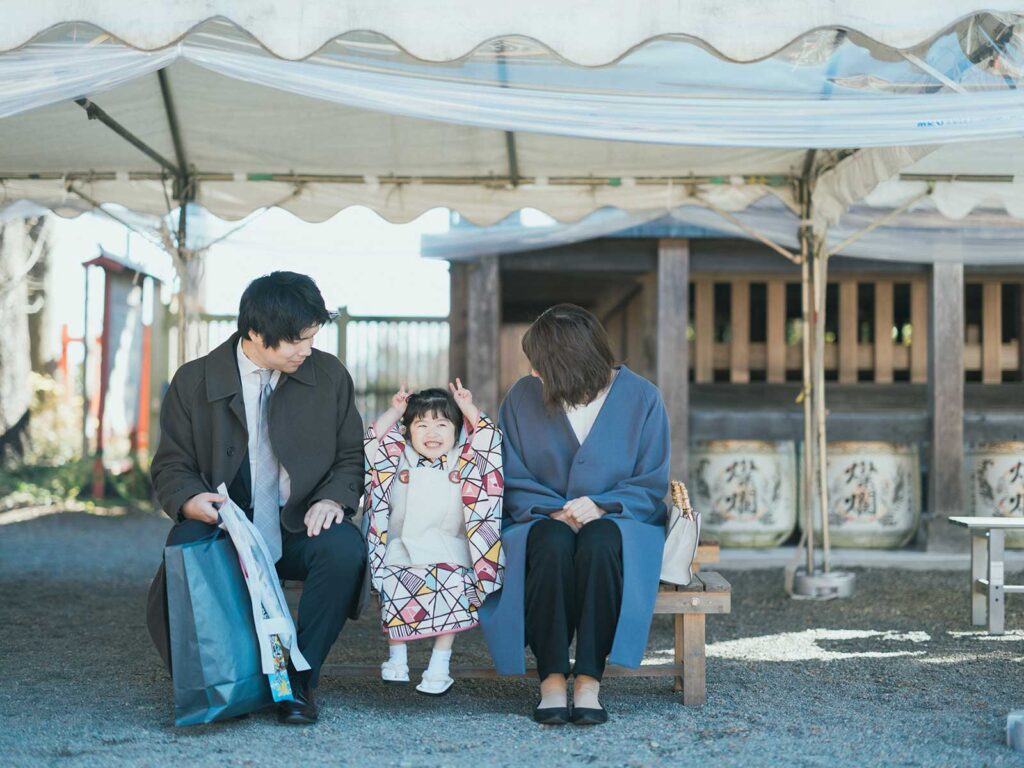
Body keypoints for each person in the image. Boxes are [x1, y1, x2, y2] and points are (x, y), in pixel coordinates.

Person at [145, 271, 367, 725]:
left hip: (300, 525)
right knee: (182, 544)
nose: (306, 350)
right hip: (227, 528)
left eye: (312, 337)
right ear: (254, 332)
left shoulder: (328, 376)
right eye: (295, 342)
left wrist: (334, 501)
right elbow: (171, 465)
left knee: (345, 547)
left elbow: (351, 456)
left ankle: (297, 680)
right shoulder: (193, 381)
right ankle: (223, 678)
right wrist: (189, 502)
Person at [479, 303, 670, 726]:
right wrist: (554, 511)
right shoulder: (521, 397)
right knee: (550, 541)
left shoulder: (643, 398)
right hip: (539, 518)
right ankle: (550, 678)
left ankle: (588, 680)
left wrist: (602, 504)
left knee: (602, 541)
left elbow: (652, 480)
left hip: (624, 520)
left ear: (570, 364)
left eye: (542, 365)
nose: (534, 374)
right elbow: (510, 473)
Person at [363, 381, 503, 695]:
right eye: (421, 424)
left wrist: (468, 407)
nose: (432, 433)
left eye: (442, 424)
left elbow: (490, 441)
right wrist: (394, 411)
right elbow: (371, 444)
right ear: (407, 431)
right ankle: (397, 657)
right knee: (394, 583)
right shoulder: (397, 459)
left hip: (450, 548)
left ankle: (440, 664)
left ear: (457, 429)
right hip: (403, 546)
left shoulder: (465, 460)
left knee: (453, 587)